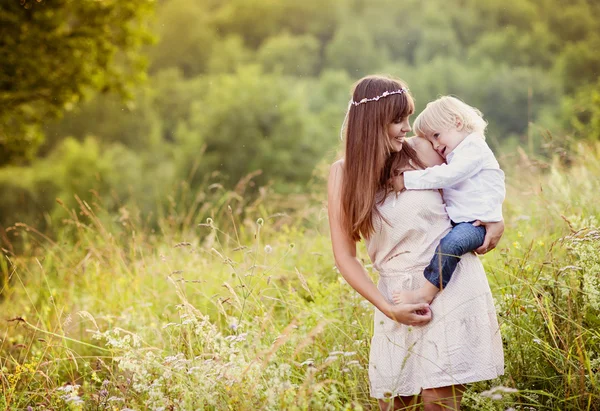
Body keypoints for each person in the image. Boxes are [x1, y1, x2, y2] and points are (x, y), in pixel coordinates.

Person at [327, 75, 504, 410]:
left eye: (407, 118)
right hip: (394, 296)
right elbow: (345, 256)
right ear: (372, 123)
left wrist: (494, 216)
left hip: (448, 286)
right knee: (396, 403)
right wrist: (387, 307)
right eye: (398, 120)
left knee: (438, 402)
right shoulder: (343, 174)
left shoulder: (423, 151)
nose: (407, 128)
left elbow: (475, 176)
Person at [389, 96, 505, 306]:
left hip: (474, 224)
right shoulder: (458, 152)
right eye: (430, 141)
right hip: (465, 221)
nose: (435, 145)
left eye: (436, 135)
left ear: (457, 122)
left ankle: (426, 292)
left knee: (451, 244)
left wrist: (407, 180)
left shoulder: (474, 148)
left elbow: (449, 175)